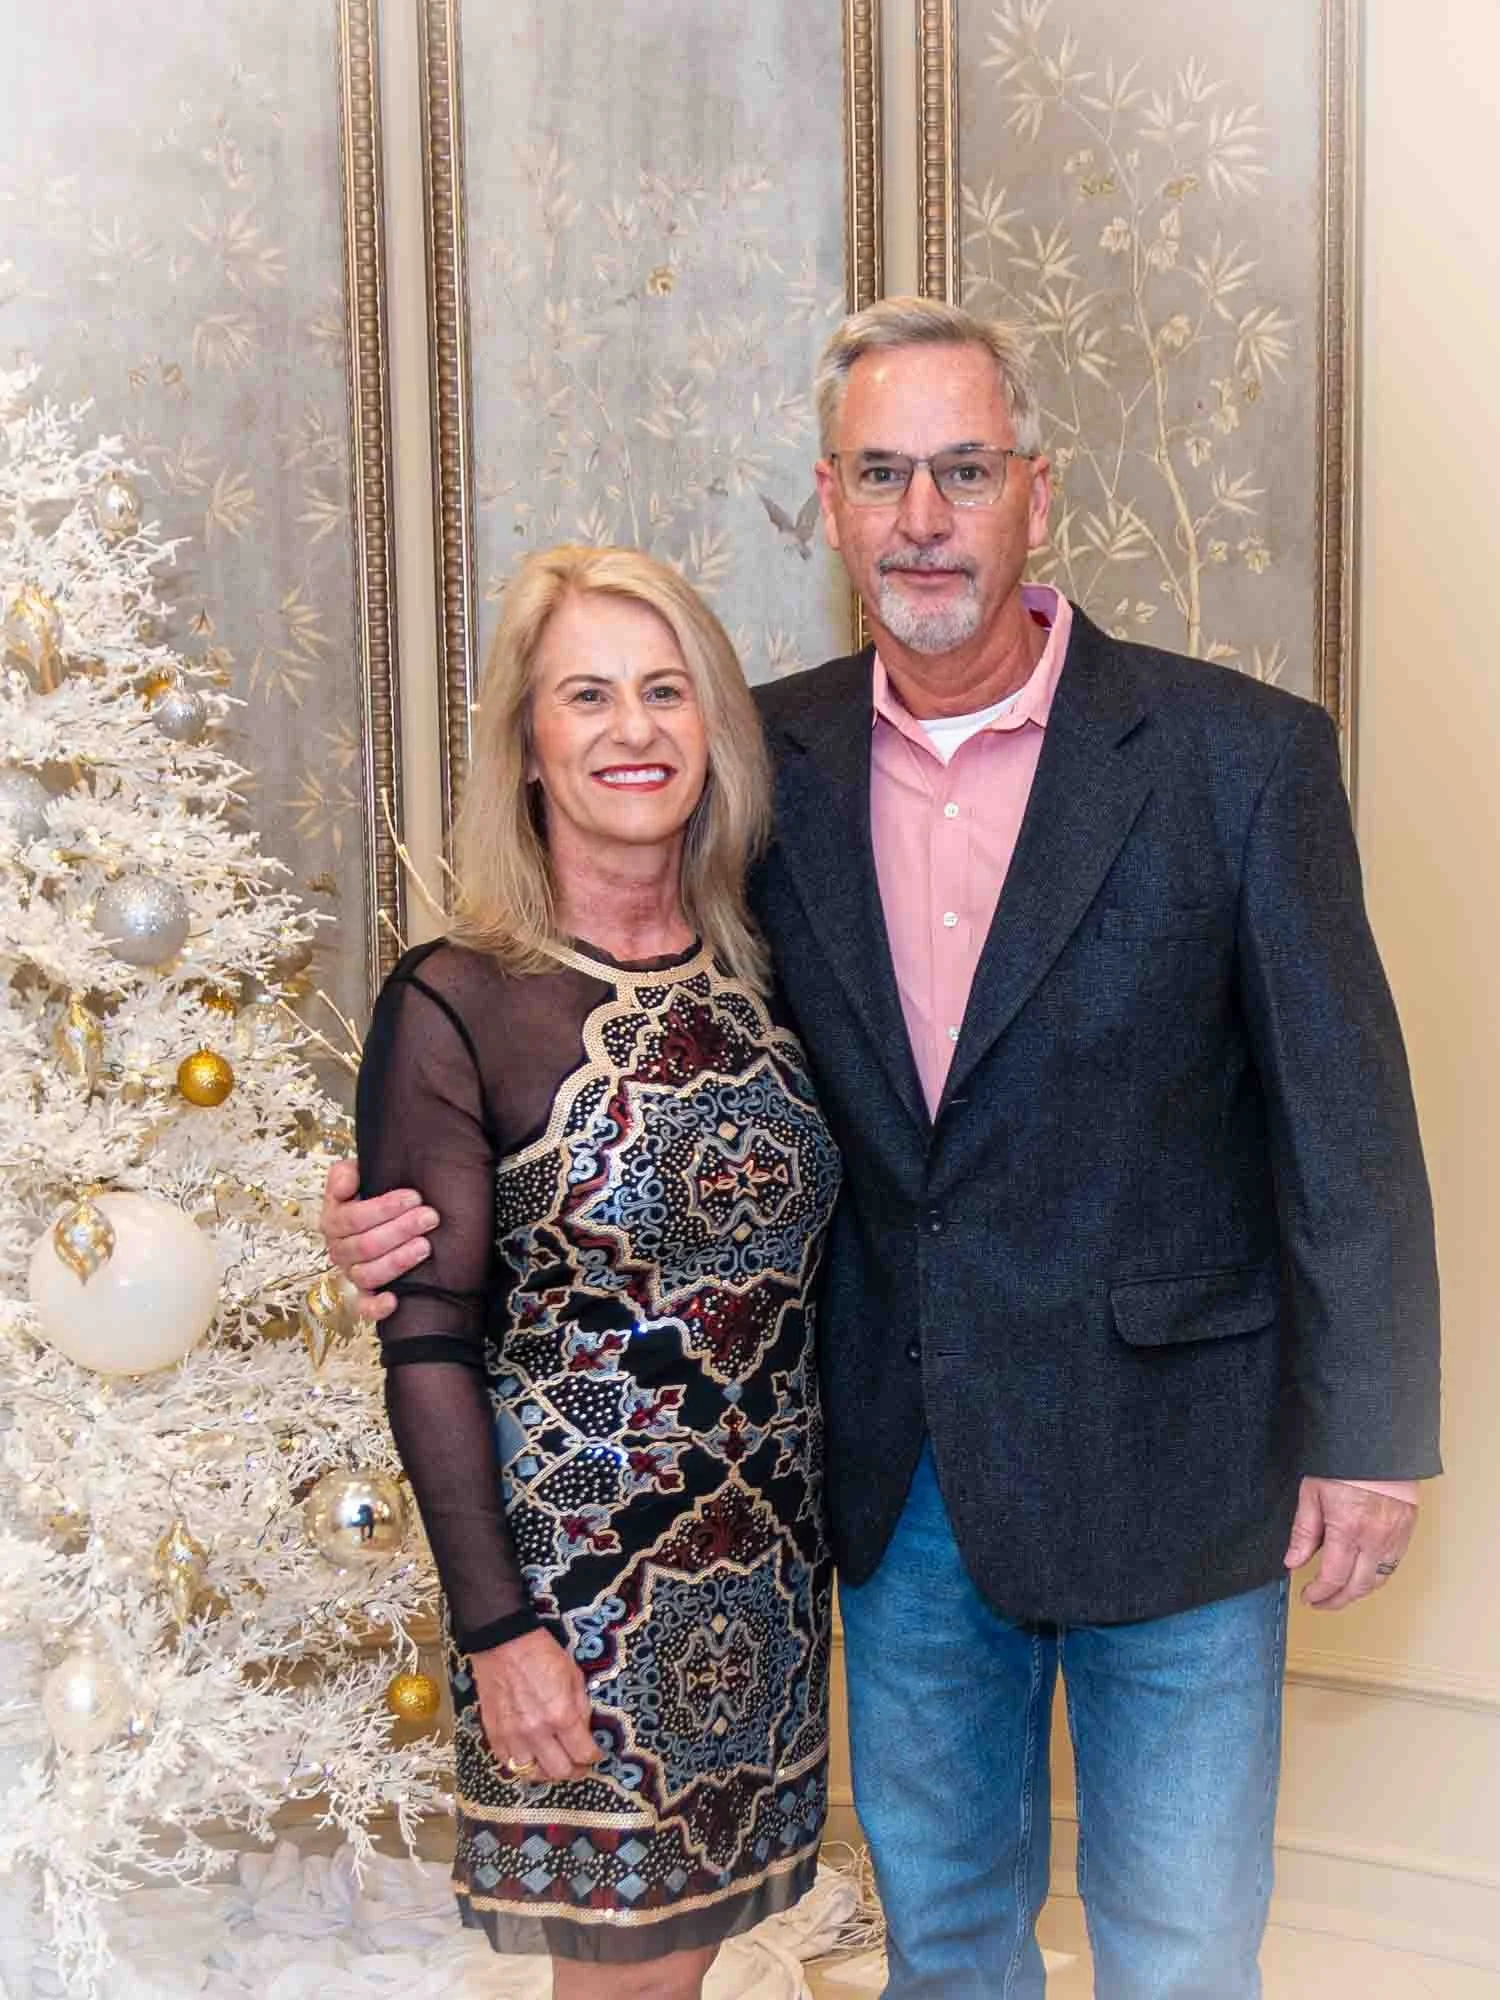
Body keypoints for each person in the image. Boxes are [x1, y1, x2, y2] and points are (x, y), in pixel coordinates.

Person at [324, 299, 1440, 1999]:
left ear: (1035, 494)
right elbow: (598, 988)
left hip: (1184, 1464)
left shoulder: (1239, 758)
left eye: (963, 470)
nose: (924, 517)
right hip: (898, 1477)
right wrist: (400, 1197)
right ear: (831, 508)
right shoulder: (758, 765)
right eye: (882, 475)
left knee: (1185, 1950)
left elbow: (1347, 1126)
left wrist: (1371, 1435)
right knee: (949, 1940)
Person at [349, 544, 840, 2000]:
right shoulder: (456, 1000)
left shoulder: (778, 972)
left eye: (665, 691)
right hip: (574, 1597)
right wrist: (498, 1633)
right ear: (530, 746)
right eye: (587, 696)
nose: (633, 730)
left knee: (683, 1972)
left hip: (763, 1586)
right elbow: (425, 1336)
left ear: (713, 733)